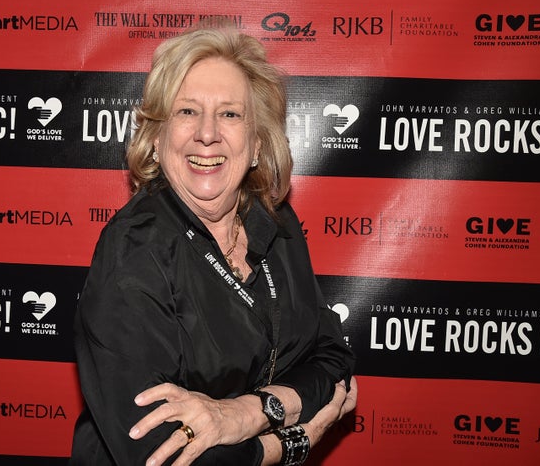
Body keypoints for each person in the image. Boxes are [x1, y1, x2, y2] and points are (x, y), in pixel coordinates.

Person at [70, 23, 357, 466]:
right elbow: (161, 455)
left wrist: (244, 413)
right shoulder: (132, 254)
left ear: (257, 144)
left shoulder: (275, 223)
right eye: (187, 112)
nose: (208, 134)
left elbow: (332, 356)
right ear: (157, 137)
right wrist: (293, 440)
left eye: (230, 114)